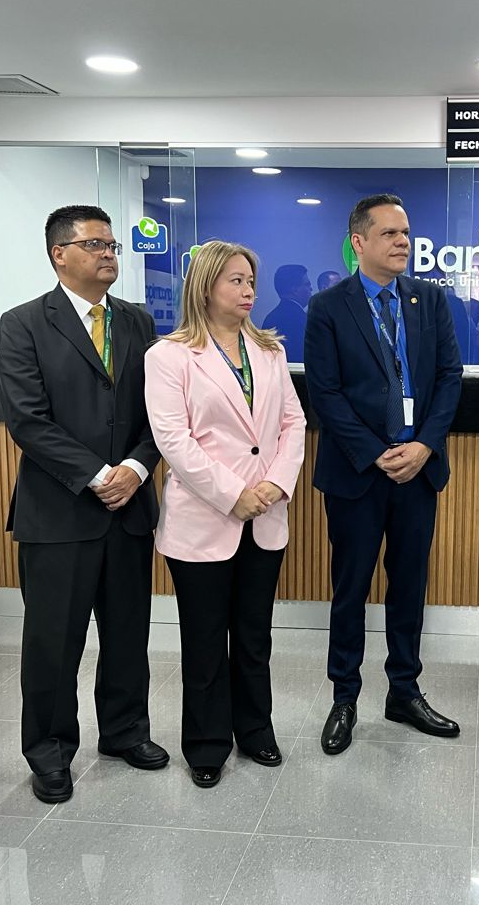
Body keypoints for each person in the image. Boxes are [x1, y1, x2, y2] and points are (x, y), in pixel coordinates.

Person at [0, 205, 167, 805]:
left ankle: (125, 732)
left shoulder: (137, 321)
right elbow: (27, 420)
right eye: (95, 244)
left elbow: (160, 412)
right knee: (53, 641)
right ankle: (49, 751)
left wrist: (137, 468)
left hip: (129, 507)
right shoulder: (24, 323)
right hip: (59, 510)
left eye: (112, 245)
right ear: (59, 253)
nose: (109, 254)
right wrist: (97, 475)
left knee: (128, 634)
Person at [304, 193, 463, 755]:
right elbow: (324, 392)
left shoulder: (429, 299)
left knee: (410, 585)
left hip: (418, 471)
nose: (403, 242)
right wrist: (375, 452)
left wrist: (423, 445)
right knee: (350, 589)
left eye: (406, 232)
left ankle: (404, 692)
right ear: (359, 242)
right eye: (390, 233)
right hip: (357, 472)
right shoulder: (328, 306)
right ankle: (344, 697)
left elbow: (449, 376)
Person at [145, 241, 306, 788]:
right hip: (204, 518)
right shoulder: (169, 356)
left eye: (250, 281)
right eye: (236, 280)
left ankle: (255, 730)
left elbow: (292, 423)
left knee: (254, 636)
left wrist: (277, 483)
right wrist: (234, 494)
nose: (248, 291)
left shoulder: (269, 350)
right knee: (206, 640)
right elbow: (173, 439)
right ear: (205, 286)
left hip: (265, 515)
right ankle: (207, 743)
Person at [261, 263, 312, 363]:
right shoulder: (300, 319)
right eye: (307, 284)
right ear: (295, 289)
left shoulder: (271, 317)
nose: (311, 288)